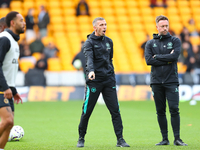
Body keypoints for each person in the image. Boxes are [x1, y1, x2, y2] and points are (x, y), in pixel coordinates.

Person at [77, 17, 130, 148]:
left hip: (108, 80)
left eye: (105, 24)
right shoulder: (88, 43)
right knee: (87, 110)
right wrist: (91, 71)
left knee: (115, 111)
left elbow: (109, 59)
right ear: (95, 27)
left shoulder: (109, 42)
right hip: (94, 80)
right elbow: (89, 59)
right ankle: (81, 138)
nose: (104, 27)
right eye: (101, 25)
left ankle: (120, 139)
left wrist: (111, 73)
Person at [145, 15, 187, 146]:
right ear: (157, 27)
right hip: (156, 82)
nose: (165, 28)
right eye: (162, 26)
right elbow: (149, 60)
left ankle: (177, 139)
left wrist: (157, 56)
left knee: (174, 108)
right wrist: (167, 58)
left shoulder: (175, 40)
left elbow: (175, 56)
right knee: (160, 110)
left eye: (166, 26)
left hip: (171, 81)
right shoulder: (150, 43)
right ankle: (165, 139)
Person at [0, 11, 25, 149]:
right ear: (12, 23)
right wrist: (5, 87)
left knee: (10, 125)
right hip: (1, 89)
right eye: (21, 20)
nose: (24, 23)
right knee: (7, 120)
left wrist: (13, 90)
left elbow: (8, 69)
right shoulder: (4, 39)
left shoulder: (14, 42)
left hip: (8, 89)